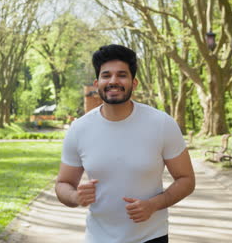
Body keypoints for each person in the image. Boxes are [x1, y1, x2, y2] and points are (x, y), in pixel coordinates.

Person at [55, 44, 195, 243]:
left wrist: (154, 204)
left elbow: (186, 179)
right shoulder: (79, 129)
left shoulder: (162, 124)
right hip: (97, 238)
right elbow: (63, 184)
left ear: (134, 83)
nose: (113, 81)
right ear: (97, 83)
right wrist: (75, 197)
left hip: (151, 237)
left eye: (121, 75)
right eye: (106, 75)